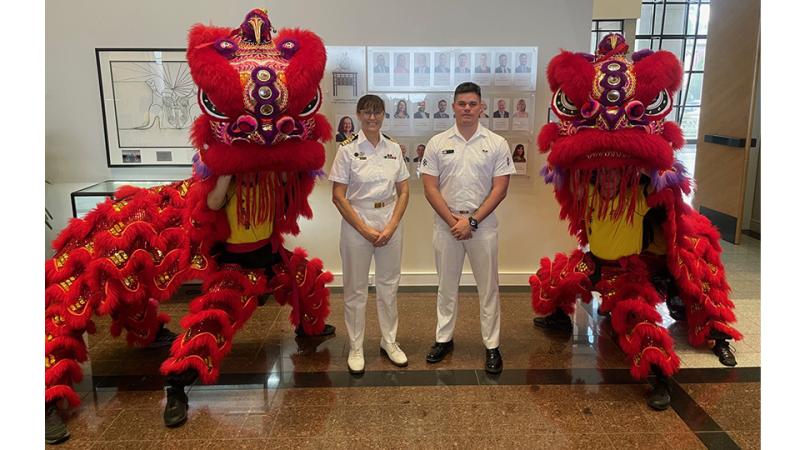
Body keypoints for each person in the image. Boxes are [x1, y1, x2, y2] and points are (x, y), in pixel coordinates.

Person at [420, 82, 515, 374]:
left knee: (488, 288)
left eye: (473, 104)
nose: (467, 109)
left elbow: (500, 189)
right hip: (447, 226)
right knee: (446, 286)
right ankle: (443, 339)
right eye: (462, 103)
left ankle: (492, 345)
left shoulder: (496, 143)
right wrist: (455, 222)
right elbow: (430, 188)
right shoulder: (437, 143)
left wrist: (472, 221)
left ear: (481, 107)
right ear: (453, 107)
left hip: (482, 227)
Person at [329, 95, 410, 374]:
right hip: (357, 222)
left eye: (377, 112)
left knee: (389, 286)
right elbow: (338, 196)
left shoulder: (393, 148)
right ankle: (356, 346)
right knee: (355, 289)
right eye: (366, 112)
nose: (372, 117)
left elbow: (404, 191)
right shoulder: (347, 149)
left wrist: (391, 225)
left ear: (384, 115)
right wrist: (363, 228)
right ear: (358, 114)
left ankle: (390, 341)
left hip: (389, 220)